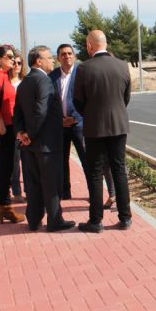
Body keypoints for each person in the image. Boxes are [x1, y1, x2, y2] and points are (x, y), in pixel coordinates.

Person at [73, 30, 132, 233]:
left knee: (96, 173)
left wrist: (91, 113)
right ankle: (125, 218)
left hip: (95, 128)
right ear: (105, 44)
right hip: (119, 126)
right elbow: (126, 98)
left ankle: (96, 221)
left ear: (90, 46)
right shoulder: (122, 65)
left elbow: (77, 101)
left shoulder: (84, 68)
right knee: (119, 170)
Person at [13, 46, 75, 232]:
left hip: (29, 146)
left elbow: (17, 112)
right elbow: (41, 110)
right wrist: (29, 134)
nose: (52, 61)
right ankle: (55, 221)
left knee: (33, 185)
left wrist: (22, 133)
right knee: (52, 184)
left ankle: (33, 220)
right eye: (49, 58)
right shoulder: (45, 81)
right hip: (46, 144)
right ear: (38, 61)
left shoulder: (25, 81)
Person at [0, 45, 25, 224]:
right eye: (9, 56)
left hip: (9, 127)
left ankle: (5, 206)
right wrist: (0, 123)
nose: (12, 59)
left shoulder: (3, 76)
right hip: (4, 129)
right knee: (5, 168)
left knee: (7, 167)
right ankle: (5, 206)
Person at [49, 44, 89, 200]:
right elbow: (49, 102)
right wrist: (59, 119)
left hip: (79, 124)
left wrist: (76, 117)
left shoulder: (83, 74)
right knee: (61, 161)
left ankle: (93, 192)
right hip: (60, 126)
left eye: (69, 53)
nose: (67, 56)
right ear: (58, 58)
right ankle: (65, 192)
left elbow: (88, 100)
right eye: (63, 54)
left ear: (75, 56)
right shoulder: (51, 77)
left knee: (86, 160)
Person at [9, 51, 27, 203]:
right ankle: (16, 192)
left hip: (26, 127)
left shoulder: (25, 82)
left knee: (28, 161)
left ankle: (30, 190)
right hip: (10, 127)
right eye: (13, 62)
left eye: (19, 63)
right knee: (14, 162)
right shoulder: (5, 82)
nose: (16, 65)